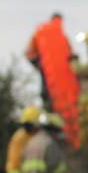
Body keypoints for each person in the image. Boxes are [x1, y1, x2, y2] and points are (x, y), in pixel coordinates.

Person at [25, 13, 81, 148]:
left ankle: (53, 135)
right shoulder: (62, 37)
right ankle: (63, 138)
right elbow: (69, 58)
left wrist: (39, 64)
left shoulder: (39, 32)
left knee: (50, 111)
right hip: (60, 87)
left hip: (49, 83)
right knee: (63, 113)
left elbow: (29, 53)